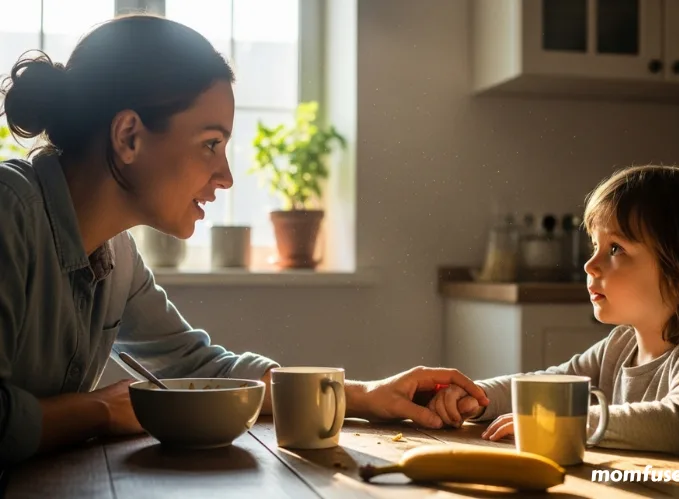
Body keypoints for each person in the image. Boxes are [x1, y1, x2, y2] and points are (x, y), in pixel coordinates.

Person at [0, 15, 489, 466]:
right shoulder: (9, 214)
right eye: (211, 143)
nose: (227, 176)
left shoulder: (118, 255)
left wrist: (364, 395)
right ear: (129, 136)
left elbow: (203, 368)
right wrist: (99, 412)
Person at [429, 165, 679, 473]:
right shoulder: (620, 346)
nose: (590, 265)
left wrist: (570, 422)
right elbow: (551, 384)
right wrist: (479, 397)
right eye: (595, 246)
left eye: (616, 249)